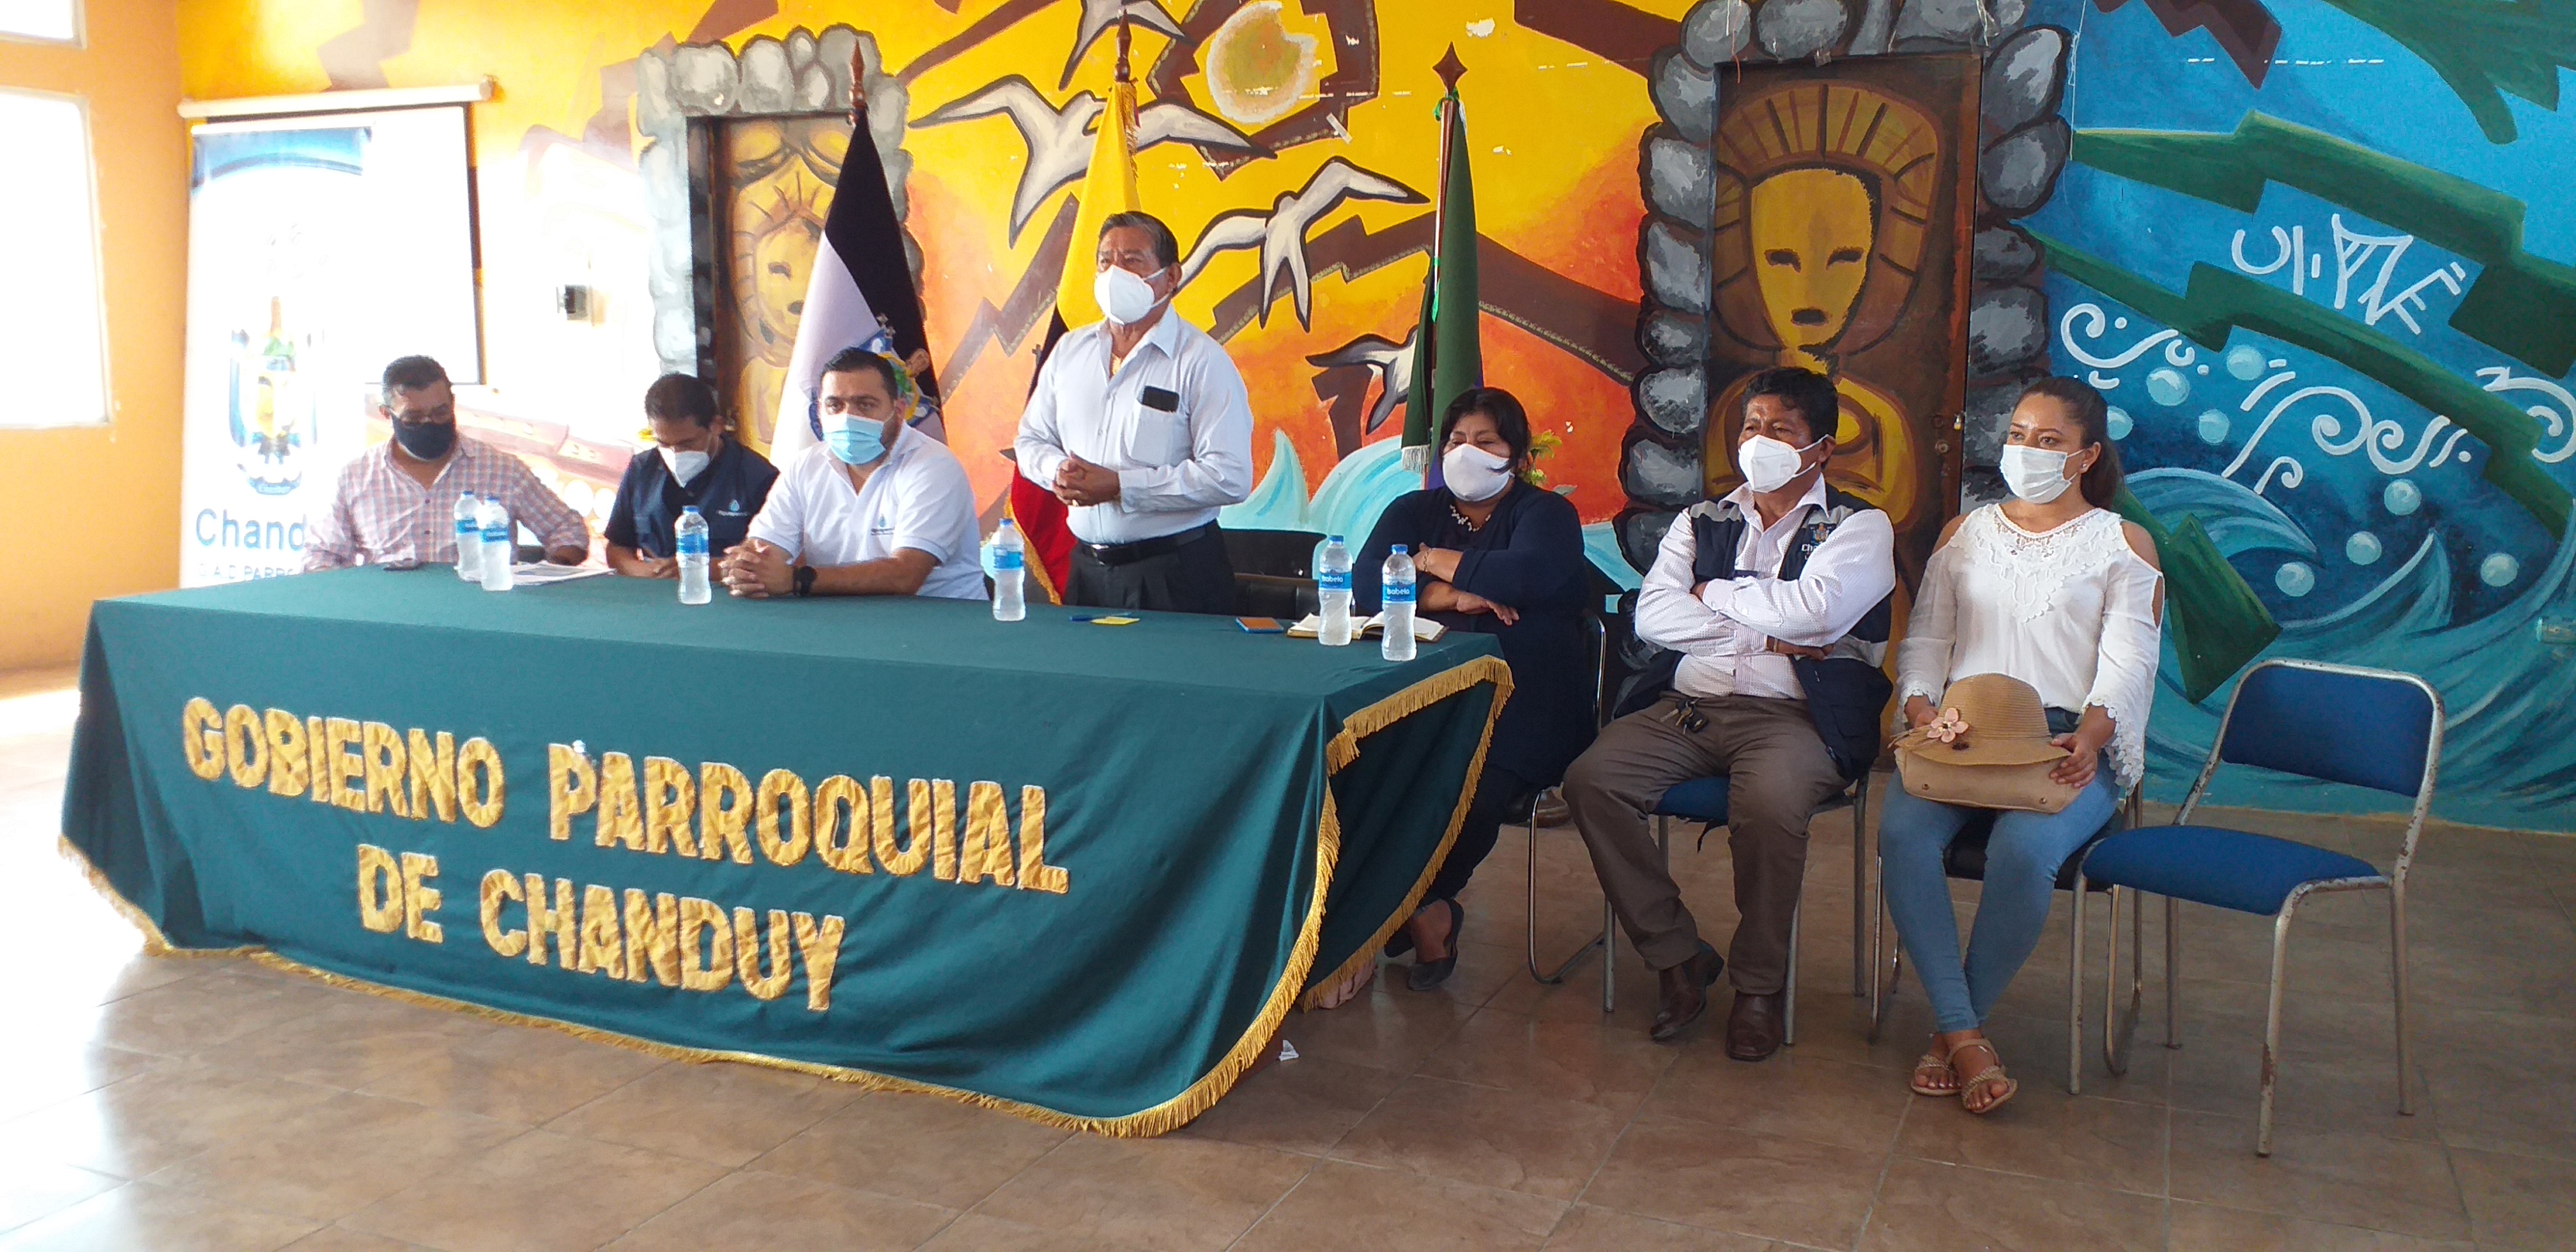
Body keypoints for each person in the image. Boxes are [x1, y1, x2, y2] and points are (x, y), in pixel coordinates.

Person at [1561, 365, 1897, 1057]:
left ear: (1822, 448)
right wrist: (1766, 636)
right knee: (1593, 781)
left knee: (1769, 806)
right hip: (1690, 705)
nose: (1759, 441)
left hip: (1798, 717)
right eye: (1751, 426)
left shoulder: (1860, 527)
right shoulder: (1701, 519)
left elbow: (1817, 613)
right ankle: (1677, 956)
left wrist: (1711, 593)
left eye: (1781, 429)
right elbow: (1654, 617)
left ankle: (1759, 987)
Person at [1881, 376, 2163, 1115]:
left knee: (2023, 849)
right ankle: (1966, 1035)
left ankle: (1954, 1031)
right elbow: (1927, 640)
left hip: (2065, 735)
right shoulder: (1965, 535)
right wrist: (1922, 706)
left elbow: (2130, 665)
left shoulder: (2123, 545)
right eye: (2017, 435)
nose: (2026, 450)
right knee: (1902, 835)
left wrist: (2092, 737)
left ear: (2086, 456)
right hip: (1962, 728)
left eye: (2048, 440)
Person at [1353, 387, 1594, 992]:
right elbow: (1364, 586)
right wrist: (1456, 595)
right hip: (1422, 693)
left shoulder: (1546, 514)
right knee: (1371, 773)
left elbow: (1527, 577)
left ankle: (1421, 901)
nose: (1468, 451)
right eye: (1457, 440)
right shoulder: (1413, 509)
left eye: (1486, 441)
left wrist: (1428, 562)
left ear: (1518, 454)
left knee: (1476, 791)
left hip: (1527, 703)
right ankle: (1410, 906)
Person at [1015, 211, 1254, 613]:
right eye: (1105, 261)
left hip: (1175, 574)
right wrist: (1059, 471)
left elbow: (1229, 477)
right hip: (1087, 570)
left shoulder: (1202, 361)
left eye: (1132, 261)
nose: (1115, 274)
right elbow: (1030, 440)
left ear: (1171, 277)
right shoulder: (1070, 352)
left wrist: (1121, 486)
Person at [720, 346, 985, 601]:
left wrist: (798, 580)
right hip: (841, 617)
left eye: (865, 405)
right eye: (835, 406)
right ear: (819, 411)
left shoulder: (934, 466)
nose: (848, 417)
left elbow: (906, 576)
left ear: (898, 411)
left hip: (938, 620)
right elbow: (765, 550)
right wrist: (749, 569)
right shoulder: (806, 466)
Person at [305, 356, 588, 571]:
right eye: (414, 418)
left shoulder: (502, 470)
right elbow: (321, 555)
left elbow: (568, 530)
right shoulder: (356, 477)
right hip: (388, 613)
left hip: (482, 613)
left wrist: (551, 572)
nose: (430, 424)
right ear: (386, 414)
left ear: (453, 403)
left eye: (440, 413)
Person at [604, 373, 778, 578]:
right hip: (653, 589)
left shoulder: (758, 478)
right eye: (664, 444)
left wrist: (705, 569)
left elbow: (774, 561)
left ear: (716, 426)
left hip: (725, 591)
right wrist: (648, 572)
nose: (675, 454)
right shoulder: (642, 469)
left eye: (687, 444)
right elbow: (618, 547)